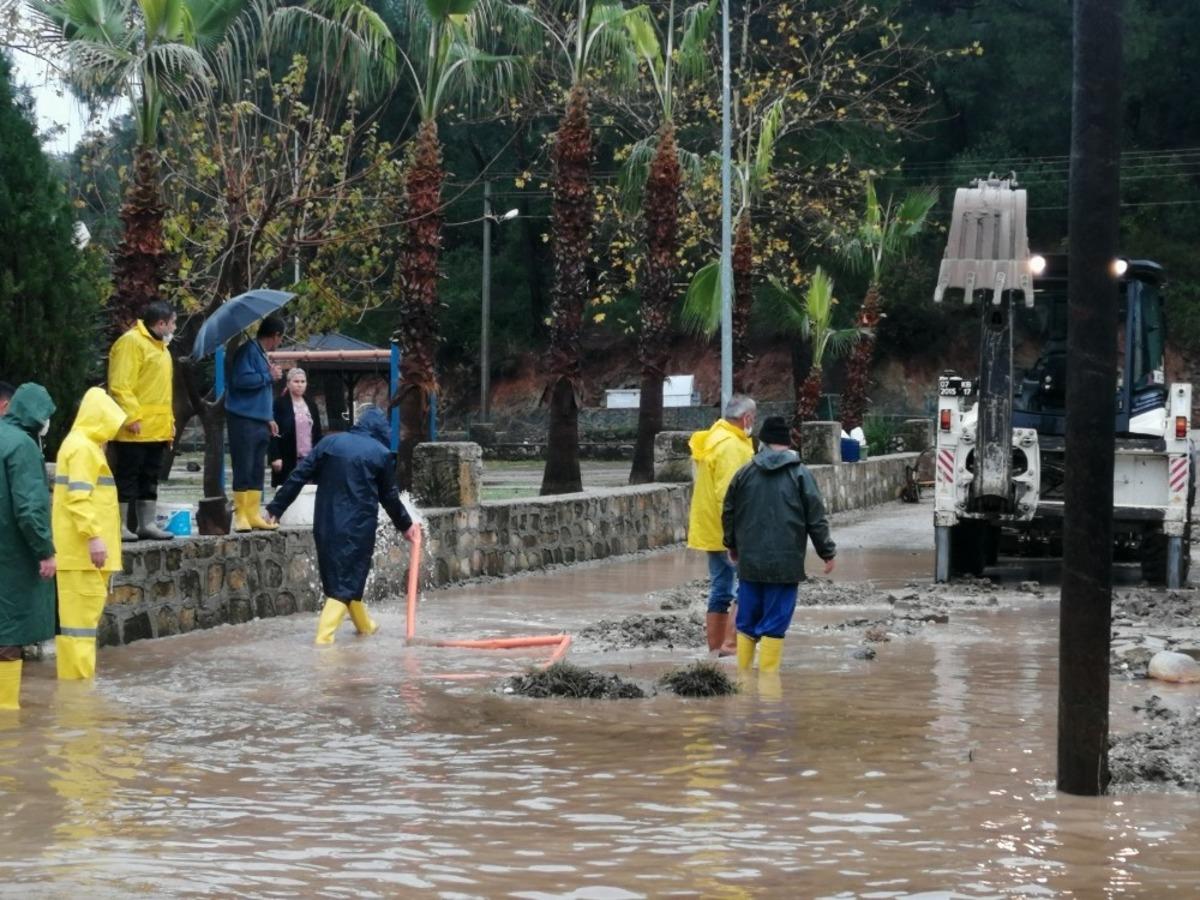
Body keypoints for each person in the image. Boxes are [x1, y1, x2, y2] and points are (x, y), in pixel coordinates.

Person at [266, 407, 419, 645]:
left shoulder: (329, 443)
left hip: (325, 523)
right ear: (381, 431)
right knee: (345, 584)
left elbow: (298, 475)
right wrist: (406, 525)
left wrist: (276, 508)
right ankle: (323, 640)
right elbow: (389, 497)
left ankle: (366, 627)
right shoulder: (380, 453)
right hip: (358, 528)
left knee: (342, 579)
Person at [722, 415, 836, 674]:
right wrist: (826, 552)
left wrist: (732, 545)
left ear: (762, 442)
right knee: (775, 624)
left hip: (750, 564)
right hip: (786, 566)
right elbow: (815, 518)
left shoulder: (745, 473)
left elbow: (729, 511)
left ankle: (744, 682)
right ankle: (769, 689)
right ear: (788, 443)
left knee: (746, 621)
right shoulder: (800, 474)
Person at [52, 387, 127, 680]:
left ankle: (77, 693)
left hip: (82, 555)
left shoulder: (81, 445)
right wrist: (94, 537)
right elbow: (78, 499)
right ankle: (78, 694)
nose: (111, 434)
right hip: (82, 554)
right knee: (79, 629)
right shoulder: (82, 448)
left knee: (80, 628)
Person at [0, 384, 57, 708]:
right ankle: (7, 716)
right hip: (11, 555)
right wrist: (44, 551)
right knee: (8, 633)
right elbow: (29, 507)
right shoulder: (22, 446)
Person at [687, 393, 756, 655]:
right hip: (729, 531)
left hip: (710, 528)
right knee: (746, 585)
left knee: (720, 588)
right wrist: (735, 537)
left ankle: (715, 648)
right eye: (754, 419)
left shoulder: (715, 437)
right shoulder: (732, 446)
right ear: (747, 418)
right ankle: (731, 644)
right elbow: (729, 495)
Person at [107, 301, 176, 541]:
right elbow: (120, 384)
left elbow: (162, 392)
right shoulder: (131, 343)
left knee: (150, 477)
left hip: (157, 428)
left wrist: (170, 423)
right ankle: (120, 525)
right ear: (161, 323)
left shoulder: (162, 349)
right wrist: (131, 416)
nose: (174, 327)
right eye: (172, 323)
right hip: (135, 428)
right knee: (128, 476)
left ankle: (147, 524)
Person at [226, 315, 285, 532]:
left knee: (258, 468)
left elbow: (263, 392)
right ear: (275, 335)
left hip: (260, 419)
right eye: (281, 337)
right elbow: (240, 380)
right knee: (244, 465)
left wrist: (269, 417)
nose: (281, 342)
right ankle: (240, 513)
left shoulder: (261, 354)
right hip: (243, 418)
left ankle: (253, 512)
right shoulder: (248, 351)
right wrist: (267, 375)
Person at [269, 367, 323, 488]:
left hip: (309, 459)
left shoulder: (311, 405)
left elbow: (317, 433)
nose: (300, 385)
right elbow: (273, 432)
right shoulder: (279, 403)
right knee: (288, 492)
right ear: (288, 383)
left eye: (303, 382)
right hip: (287, 457)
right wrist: (275, 456)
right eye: (296, 381)